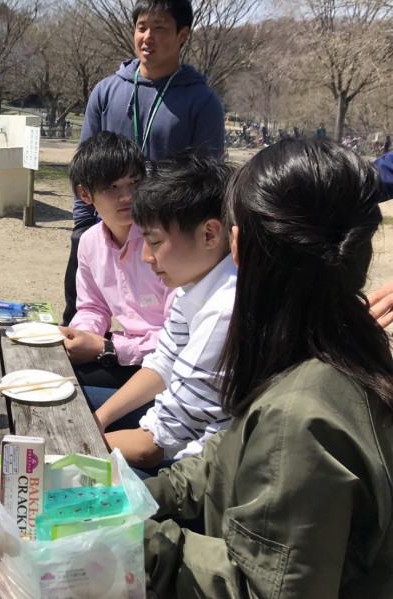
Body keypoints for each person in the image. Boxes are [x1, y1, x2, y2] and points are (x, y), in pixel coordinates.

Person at [143, 138, 393, 598]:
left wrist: (138, 544)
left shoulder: (299, 415)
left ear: (236, 245)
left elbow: (264, 588)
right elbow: (223, 458)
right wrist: (129, 498)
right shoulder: (343, 345)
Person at [63, 0, 225, 325]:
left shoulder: (202, 101)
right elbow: (85, 164)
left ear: (182, 34)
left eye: (160, 28)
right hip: (107, 229)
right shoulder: (106, 91)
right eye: (141, 27)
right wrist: (83, 226)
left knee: (162, 325)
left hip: (166, 237)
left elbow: (207, 181)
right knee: (84, 317)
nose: (147, 37)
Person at [93, 152, 235, 468]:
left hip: (204, 474)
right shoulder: (195, 283)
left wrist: (72, 440)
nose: (146, 256)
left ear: (210, 234)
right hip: (181, 439)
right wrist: (97, 420)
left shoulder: (225, 311)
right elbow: (164, 363)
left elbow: (152, 446)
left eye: (155, 242)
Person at [59, 131, 173, 391]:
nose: (127, 196)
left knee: (70, 390)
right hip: (130, 353)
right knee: (54, 369)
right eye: (112, 187)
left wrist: (109, 348)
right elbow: (93, 307)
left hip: (171, 366)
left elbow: (181, 335)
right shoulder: (89, 242)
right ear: (85, 194)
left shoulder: (166, 240)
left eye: (134, 182)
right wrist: (82, 335)